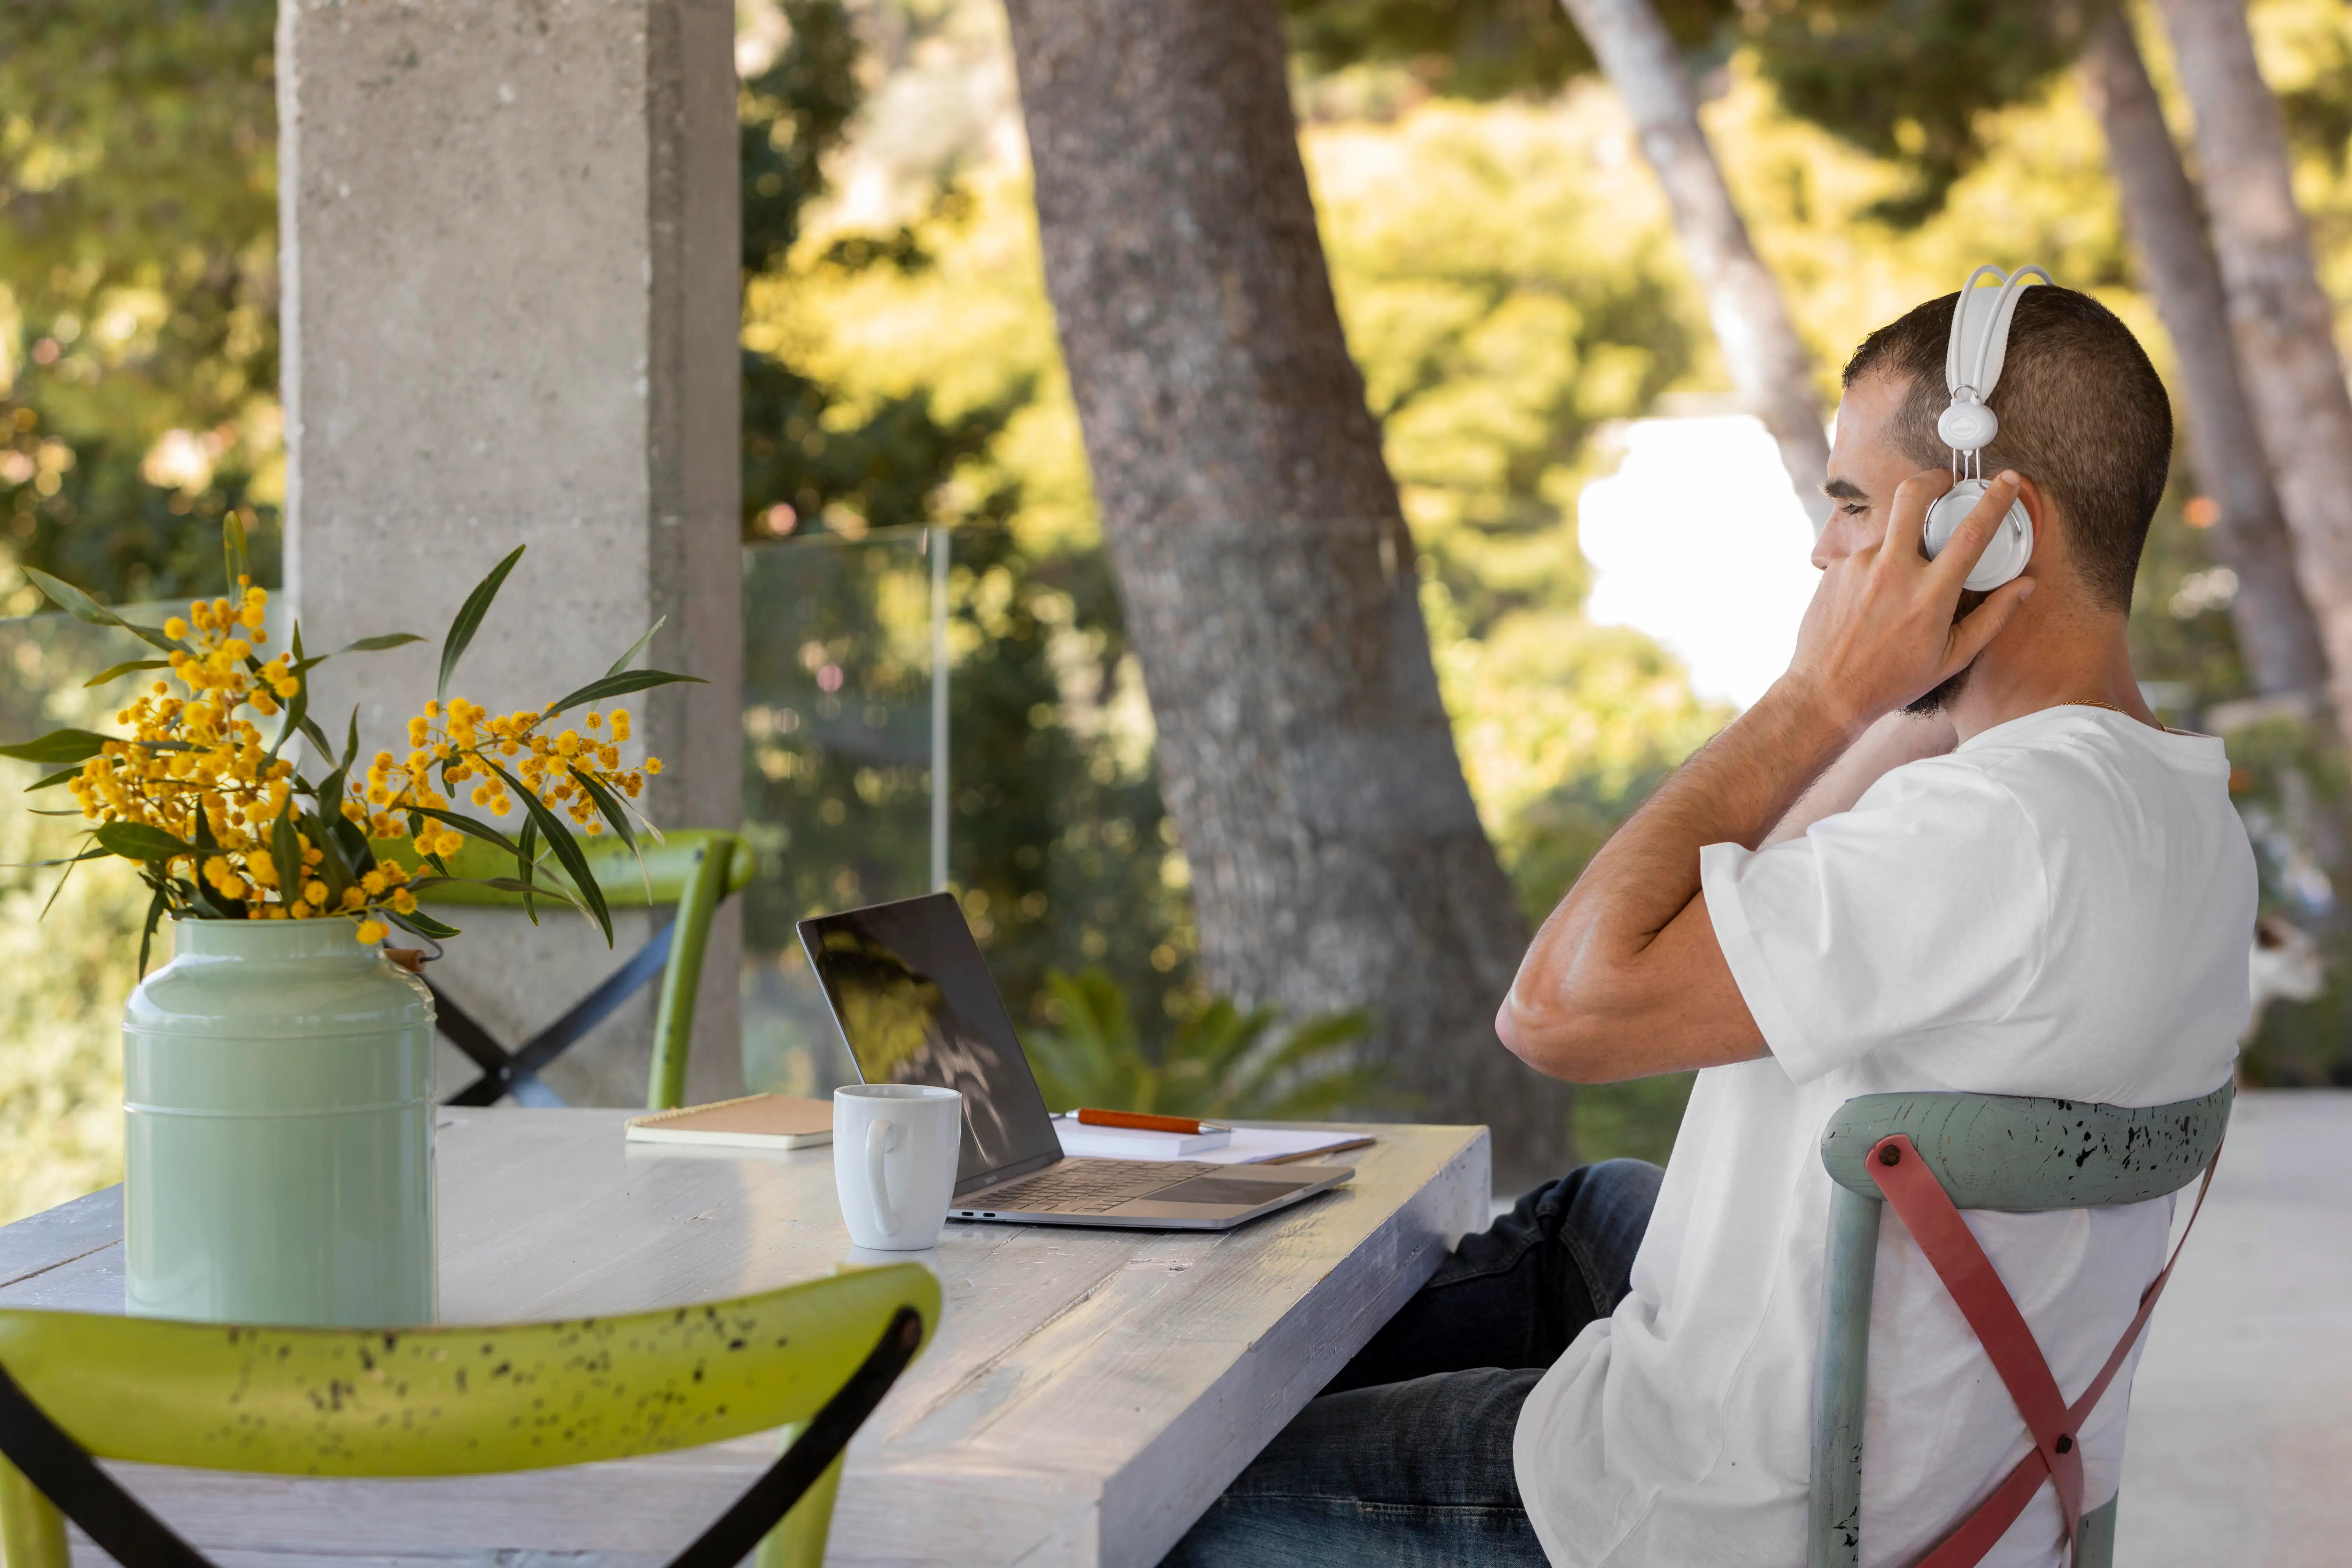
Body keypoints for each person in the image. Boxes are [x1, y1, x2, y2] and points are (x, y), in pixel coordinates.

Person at [1164, 282, 2254, 1568]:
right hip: (1957, 1461)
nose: (1824, 553)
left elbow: (1559, 1012)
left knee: (1158, 1501)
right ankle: (1233, 1389)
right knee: (1590, 1215)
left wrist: (1814, 694)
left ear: (1992, 530)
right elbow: (1749, 887)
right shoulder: (2170, 800)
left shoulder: (1997, 831)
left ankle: (1191, 1420)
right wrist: (1895, 700)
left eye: (1853, 503)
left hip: (1712, 1507)